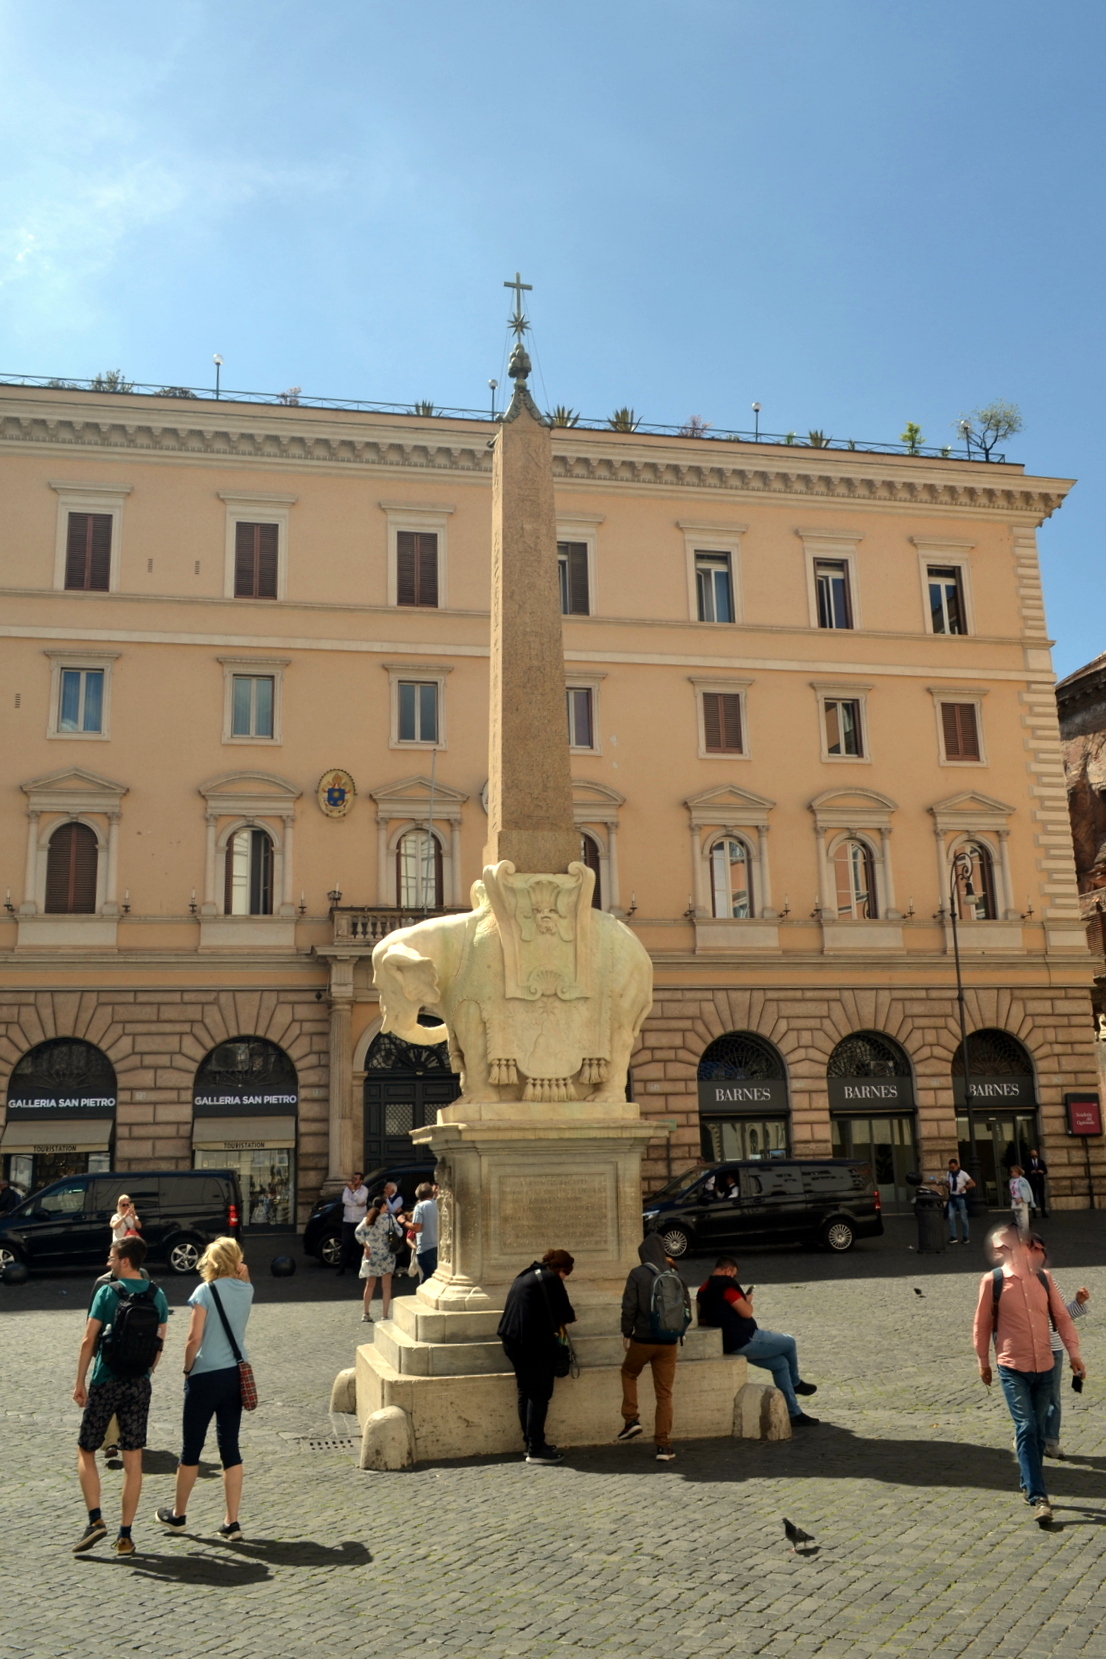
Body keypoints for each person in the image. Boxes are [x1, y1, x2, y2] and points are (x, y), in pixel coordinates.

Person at [974, 1224, 1086, 1527]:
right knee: (1025, 1427)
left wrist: (1074, 1354)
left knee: (1036, 1431)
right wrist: (983, 1362)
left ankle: (1027, 1481)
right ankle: (1039, 1497)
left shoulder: (1044, 1279)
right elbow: (982, 1324)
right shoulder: (993, 1282)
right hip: (1012, 1367)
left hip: (1046, 1367)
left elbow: (1062, 1318)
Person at [72, 1235, 169, 1555]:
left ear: (125, 1260)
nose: (108, 1263)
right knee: (134, 1459)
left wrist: (80, 1382)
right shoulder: (158, 1296)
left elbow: (89, 1340)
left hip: (106, 1380)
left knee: (86, 1450)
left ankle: (96, 1520)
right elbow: (158, 1345)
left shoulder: (106, 1292)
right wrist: (145, 1372)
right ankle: (125, 1536)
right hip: (139, 1384)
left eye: (112, 1257)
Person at [157, 1235, 253, 1542]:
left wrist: (187, 1369)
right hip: (234, 1376)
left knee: (191, 1449)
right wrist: (243, 1273)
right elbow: (243, 1284)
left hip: (205, 1375)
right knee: (230, 1448)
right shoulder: (247, 1290)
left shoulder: (204, 1291)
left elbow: (193, 1338)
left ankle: (179, 1515)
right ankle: (232, 1522)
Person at [695, 1255, 820, 1428]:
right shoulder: (726, 1285)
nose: (733, 1278)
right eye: (734, 1274)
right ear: (728, 1270)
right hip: (744, 1338)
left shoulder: (703, 1289)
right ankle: (796, 1383)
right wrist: (748, 1301)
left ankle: (794, 1413)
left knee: (780, 1364)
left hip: (727, 1343)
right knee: (789, 1342)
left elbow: (702, 1318)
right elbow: (746, 1313)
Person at [497, 1248, 576, 1465]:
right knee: (540, 1393)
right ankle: (536, 1448)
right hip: (533, 1343)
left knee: (525, 1390)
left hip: (511, 1338)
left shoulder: (528, 1273)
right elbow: (567, 1314)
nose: (565, 1278)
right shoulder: (551, 1279)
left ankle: (530, 1443)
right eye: (566, 1273)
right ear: (561, 1269)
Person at [618, 1235, 691, 1462]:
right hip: (669, 1342)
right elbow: (686, 1307)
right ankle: (664, 1446)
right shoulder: (675, 1274)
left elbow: (629, 1306)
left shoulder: (638, 1274)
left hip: (643, 1339)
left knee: (629, 1373)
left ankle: (631, 1419)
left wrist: (626, 1332)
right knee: (664, 1394)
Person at [1024, 1234, 1089, 1458]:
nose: (1038, 1254)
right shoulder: (1008, 1282)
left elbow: (1062, 1317)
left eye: (1041, 1250)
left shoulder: (1047, 1280)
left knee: (1052, 1397)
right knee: (1028, 1397)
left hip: (1052, 1348)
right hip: (1025, 1349)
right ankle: (1028, 1437)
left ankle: (1051, 1441)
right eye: (1033, 1249)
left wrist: (1077, 1303)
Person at [355, 1195, 400, 1322]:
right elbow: (400, 1232)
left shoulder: (368, 1219)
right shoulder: (390, 1218)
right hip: (386, 1256)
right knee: (386, 1287)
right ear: (384, 1206)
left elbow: (357, 1233)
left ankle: (366, 1313)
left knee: (369, 1285)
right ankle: (384, 1315)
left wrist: (366, 1246)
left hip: (371, 1256)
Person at [337, 1172, 369, 1277]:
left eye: (356, 1179)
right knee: (345, 1245)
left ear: (361, 1181)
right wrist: (356, 1204)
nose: (353, 1180)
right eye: (353, 1178)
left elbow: (361, 1199)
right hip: (347, 1221)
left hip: (359, 1222)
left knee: (358, 1246)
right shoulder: (347, 1189)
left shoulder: (364, 1190)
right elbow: (345, 1200)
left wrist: (354, 1191)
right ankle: (341, 1268)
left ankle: (357, 1269)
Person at [408, 1182, 439, 1280]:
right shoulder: (438, 1204)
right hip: (437, 1246)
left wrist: (403, 1221)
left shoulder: (420, 1207)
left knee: (427, 1278)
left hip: (425, 1247)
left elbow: (417, 1227)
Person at [945, 1157, 975, 1245]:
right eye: (950, 1167)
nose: (951, 1169)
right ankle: (953, 1236)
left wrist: (965, 1187)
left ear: (957, 1166)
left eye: (953, 1167)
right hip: (952, 1197)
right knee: (951, 1216)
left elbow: (972, 1183)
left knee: (963, 1217)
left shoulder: (963, 1174)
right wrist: (947, 1185)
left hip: (961, 1197)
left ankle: (966, 1237)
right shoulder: (949, 1174)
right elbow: (948, 1183)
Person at [1008, 1166, 1034, 1232]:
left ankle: (1025, 1235)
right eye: (1011, 1172)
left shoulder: (1023, 1181)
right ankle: (1020, 1235)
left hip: (1022, 1201)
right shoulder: (1011, 1181)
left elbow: (1027, 1191)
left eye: (1012, 1172)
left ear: (1017, 1172)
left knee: (1023, 1219)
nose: (1011, 1173)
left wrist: (1022, 1198)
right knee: (1018, 1218)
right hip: (1015, 1200)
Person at [1026, 1150, 1050, 1219]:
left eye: (1035, 1156)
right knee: (1033, 1197)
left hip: (1040, 1181)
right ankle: (1034, 1213)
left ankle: (1043, 1212)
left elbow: (1045, 1171)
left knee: (1041, 1197)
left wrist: (1041, 1171)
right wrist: (1031, 1172)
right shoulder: (1028, 1162)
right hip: (1032, 1181)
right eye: (1033, 1156)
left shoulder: (1041, 1162)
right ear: (1030, 1155)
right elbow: (1026, 1171)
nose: (1034, 1157)